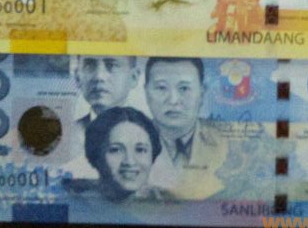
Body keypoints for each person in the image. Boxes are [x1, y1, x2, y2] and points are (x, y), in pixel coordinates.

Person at [145, 57, 227, 199]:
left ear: (202, 93)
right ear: (146, 93)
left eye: (184, 88)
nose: (173, 100)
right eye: (161, 88)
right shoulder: (127, 140)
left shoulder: (227, 141)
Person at [71, 56, 140, 176]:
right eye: (89, 65)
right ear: (77, 77)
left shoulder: (153, 135)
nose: (99, 77)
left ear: (133, 77)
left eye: (111, 65)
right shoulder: (65, 136)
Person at [83, 106, 167, 202]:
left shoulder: (169, 204)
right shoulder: (76, 202)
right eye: (116, 150)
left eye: (140, 150)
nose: (130, 162)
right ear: (96, 155)